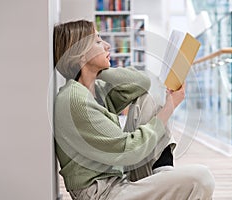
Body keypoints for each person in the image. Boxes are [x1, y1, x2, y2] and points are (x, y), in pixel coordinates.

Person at [53, 19, 215, 200]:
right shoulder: (75, 101)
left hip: (117, 181)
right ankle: (166, 178)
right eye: (98, 42)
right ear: (80, 55)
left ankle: (164, 173)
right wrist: (170, 106)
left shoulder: (95, 89)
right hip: (101, 194)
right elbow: (129, 150)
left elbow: (141, 84)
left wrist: (96, 69)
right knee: (201, 178)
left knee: (148, 97)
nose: (107, 45)